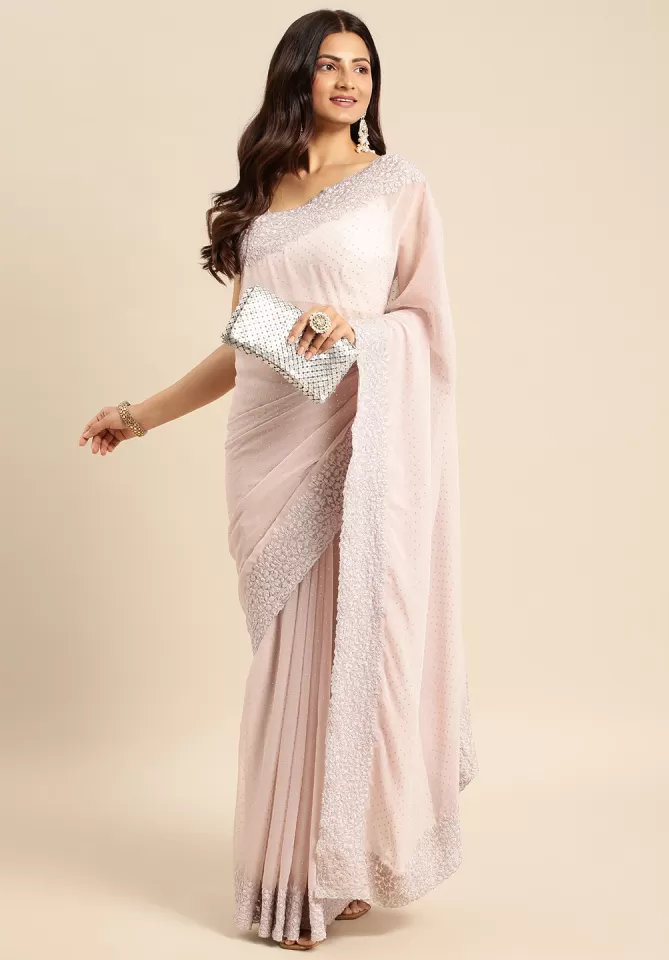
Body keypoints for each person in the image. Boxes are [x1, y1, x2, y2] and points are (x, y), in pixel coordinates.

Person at [77, 8, 478, 952]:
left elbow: (427, 327)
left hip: (358, 442)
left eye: (362, 67)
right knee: (288, 660)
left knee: (351, 652)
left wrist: (359, 329)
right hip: (269, 443)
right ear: (296, 76)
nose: (348, 81)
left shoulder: (397, 188)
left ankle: (336, 865)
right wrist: (139, 413)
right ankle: (287, 873)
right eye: (330, 65)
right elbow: (246, 342)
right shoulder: (262, 199)